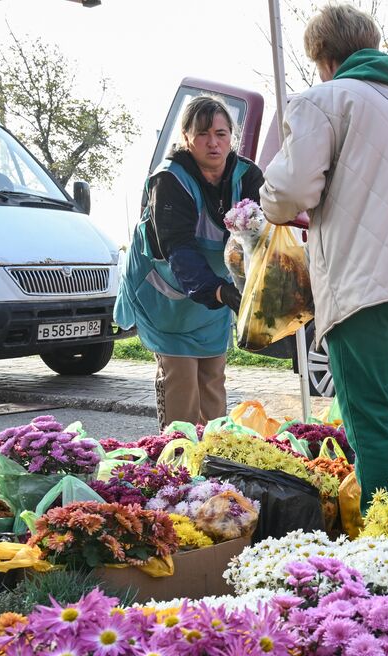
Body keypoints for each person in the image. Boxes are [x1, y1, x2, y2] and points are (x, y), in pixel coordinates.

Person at [260, 2, 388, 510]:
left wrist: (264, 202)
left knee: (371, 420)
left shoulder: (323, 101)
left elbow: (288, 194)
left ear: (324, 59)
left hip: (365, 285)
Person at [114, 96, 263, 427]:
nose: (213, 143)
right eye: (202, 134)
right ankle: (177, 464)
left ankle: (214, 461)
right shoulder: (169, 180)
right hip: (165, 290)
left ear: (231, 136)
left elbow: (266, 234)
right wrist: (220, 292)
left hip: (211, 290)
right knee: (180, 379)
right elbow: (178, 248)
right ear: (186, 137)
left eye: (221, 134)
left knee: (212, 377)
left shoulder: (247, 176)